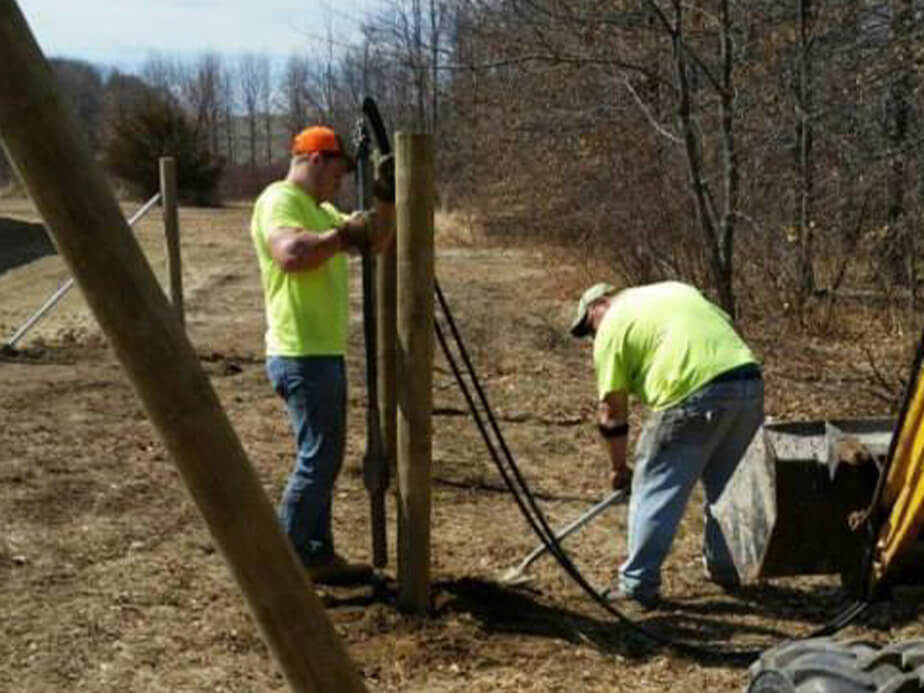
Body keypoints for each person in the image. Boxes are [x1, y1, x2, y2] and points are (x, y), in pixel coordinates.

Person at [250, 125, 395, 585]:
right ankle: (281, 568)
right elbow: (291, 254)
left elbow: (376, 241)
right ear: (316, 158)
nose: (340, 180)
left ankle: (315, 555)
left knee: (322, 455)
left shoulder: (322, 209)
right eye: (338, 169)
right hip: (300, 352)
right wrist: (341, 234)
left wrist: (385, 201)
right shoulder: (280, 199)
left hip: (320, 352)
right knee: (320, 459)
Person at [570, 281, 764, 609]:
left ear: (598, 306)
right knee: (728, 486)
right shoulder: (677, 290)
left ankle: (637, 584)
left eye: (589, 328)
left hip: (692, 394)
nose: (593, 336)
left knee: (655, 487)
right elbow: (727, 327)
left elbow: (612, 412)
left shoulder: (611, 326)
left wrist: (619, 469)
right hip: (748, 382)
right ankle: (725, 569)